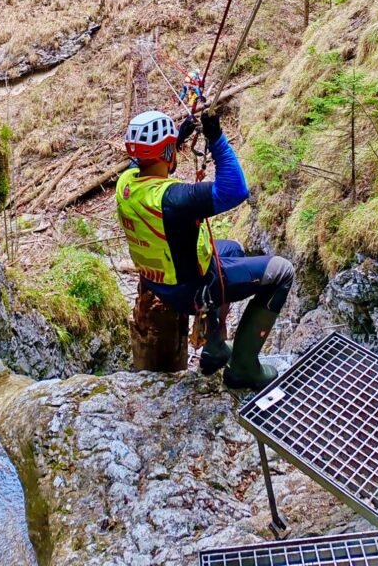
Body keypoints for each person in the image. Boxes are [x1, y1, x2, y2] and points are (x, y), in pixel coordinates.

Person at [116, 108, 294, 390]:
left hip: (161, 280)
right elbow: (235, 190)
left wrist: (177, 139)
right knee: (282, 271)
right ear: (167, 153)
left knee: (233, 250)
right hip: (192, 290)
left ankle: (215, 346)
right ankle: (244, 368)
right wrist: (217, 139)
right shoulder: (173, 199)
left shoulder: (126, 183)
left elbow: (146, 161)